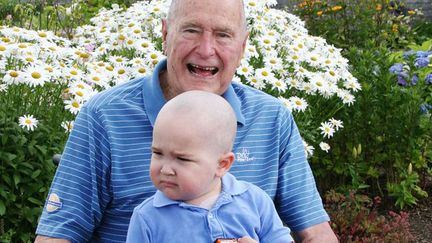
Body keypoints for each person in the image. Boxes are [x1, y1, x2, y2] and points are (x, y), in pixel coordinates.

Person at [35, 0, 338, 242]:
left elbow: (315, 233)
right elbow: (58, 235)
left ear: (243, 46)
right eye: (191, 30)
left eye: (223, 34)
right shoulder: (104, 117)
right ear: (166, 34)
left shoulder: (272, 119)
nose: (206, 49)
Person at [125, 90, 293, 243]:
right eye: (158, 153)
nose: (166, 169)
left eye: (182, 159)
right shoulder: (148, 217)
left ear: (222, 165)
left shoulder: (254, 201)